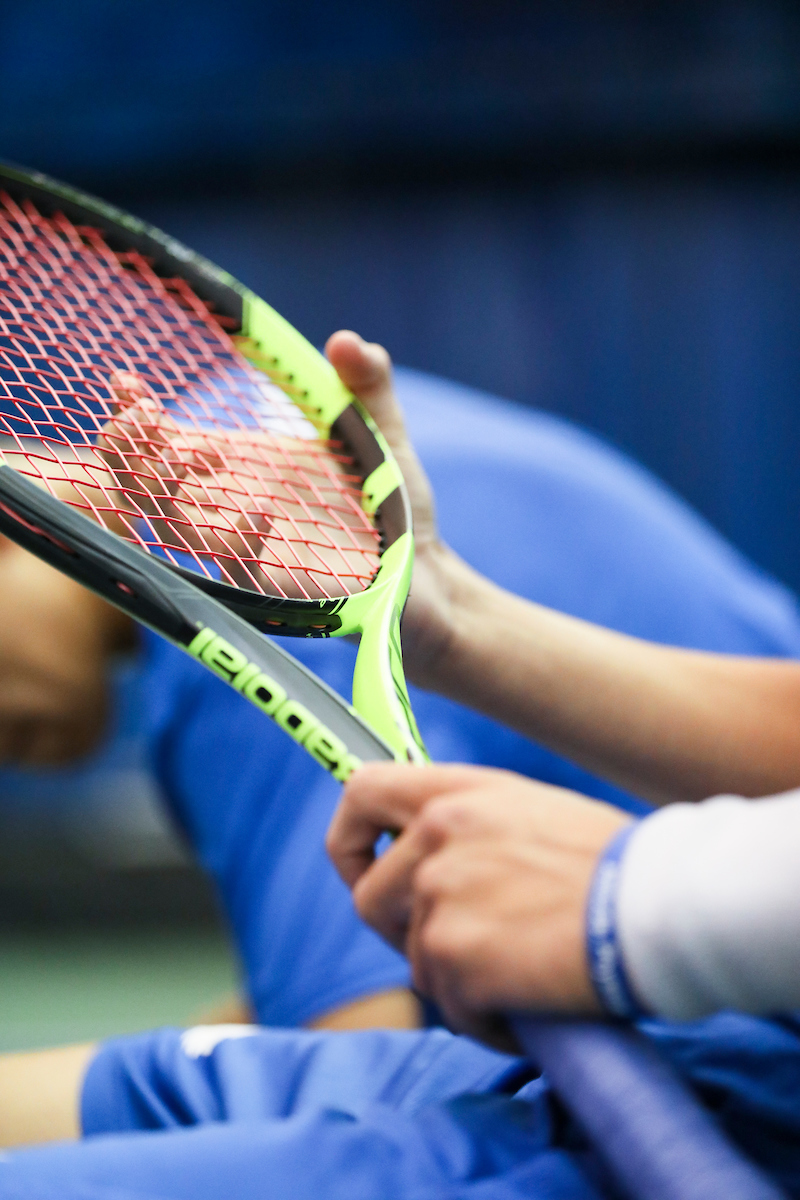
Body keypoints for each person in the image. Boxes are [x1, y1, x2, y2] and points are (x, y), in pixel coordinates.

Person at [0, 333, 799, 1199]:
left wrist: (626, 906)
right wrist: (449, 618)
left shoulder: (236, 594)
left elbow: (353, 1046)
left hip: (715, 1067)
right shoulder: (257, 466)